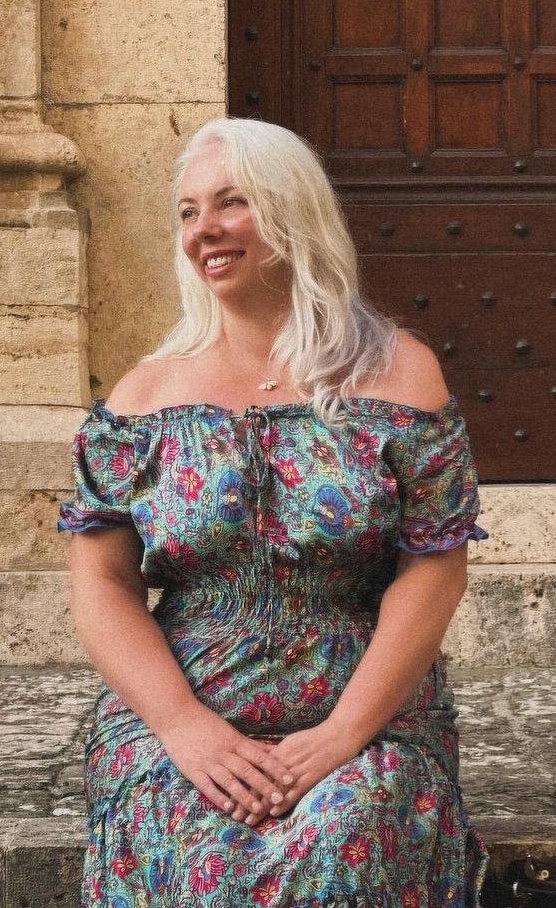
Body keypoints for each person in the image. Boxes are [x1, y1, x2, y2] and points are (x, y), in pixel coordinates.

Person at [58, 116, 491, 906]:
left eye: (232, 202)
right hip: (182, 718)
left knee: (347, 827)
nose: (204, 229)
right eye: (188, 211)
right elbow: (103, 585)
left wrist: (341, 735)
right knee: (192, 840)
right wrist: (186, 729)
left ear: (294, 210)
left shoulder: (400, 375)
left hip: (365, 713)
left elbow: (434, 570)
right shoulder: (143, 398)